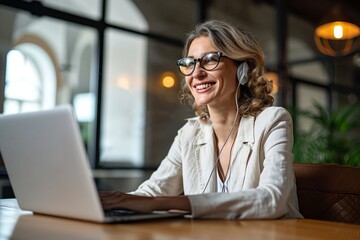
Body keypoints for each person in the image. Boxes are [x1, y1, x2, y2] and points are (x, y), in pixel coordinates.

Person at [100, 19, 303, 219]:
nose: (196, 73)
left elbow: (272, 199)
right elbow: (153, 192)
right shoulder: (189, 134)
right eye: (189, 63)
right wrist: (103, 202)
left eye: (210, 60)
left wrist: (171, 203)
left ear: (242, 69)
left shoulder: (273, 121)